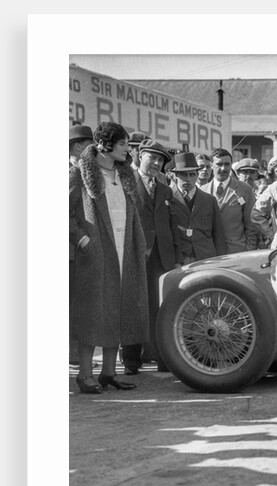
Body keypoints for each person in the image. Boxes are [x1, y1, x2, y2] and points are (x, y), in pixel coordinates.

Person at [69, 122, 148, 394]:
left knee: (119, 308)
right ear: (105, 145)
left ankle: (108, 373)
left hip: (124, 248)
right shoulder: (79, 174)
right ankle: (84, 374)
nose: (129, 150)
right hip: (96, 252)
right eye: (124, 144)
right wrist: (83, 240)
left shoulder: (125, 175)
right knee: (93, 313)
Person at [119, 139, 180, 374]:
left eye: (161, 160)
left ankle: (162, 357)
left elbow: (172, 225)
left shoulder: (165, 189)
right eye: (151, 157)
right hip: (134, 252)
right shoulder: (125, 182)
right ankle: (131, 362)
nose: (156, 163)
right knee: (134, 305)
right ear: (139, 155)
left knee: (160, 306)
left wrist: (175, 258)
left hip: (162, 257)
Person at [168, 152, 227, 264]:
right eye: (184, 175)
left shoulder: (209, 200)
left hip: (206, 258)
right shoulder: (168, 197)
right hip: (179, 259)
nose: (188, 179)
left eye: (192, 174)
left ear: (197, 175)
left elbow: (218, 234)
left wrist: (221, 261)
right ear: (176, 176)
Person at [68, 124, 95, 365]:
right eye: (89, 145)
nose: (93, 150)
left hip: (77, 251)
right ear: (77, 147)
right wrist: (82, 238)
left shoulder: (81, 171)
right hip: (72, 252)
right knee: (73, 303)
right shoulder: (73, 173)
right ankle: (74, 354)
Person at [198, 148, 258, 254]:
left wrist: (249, 250)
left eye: (227, 164)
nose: (223, 168)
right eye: (219, 164)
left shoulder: (244, 189)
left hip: (237, 252)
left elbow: (251, 224)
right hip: (211, 253)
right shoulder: (202, 191)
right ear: (212, 165)